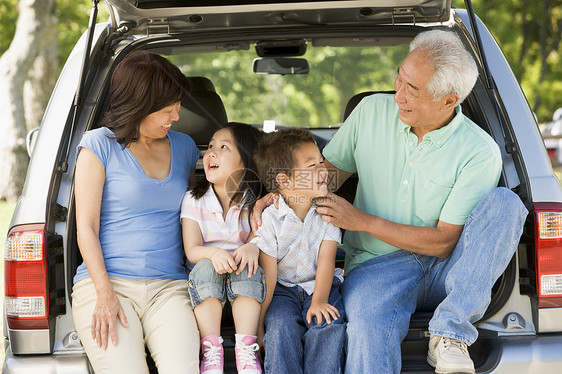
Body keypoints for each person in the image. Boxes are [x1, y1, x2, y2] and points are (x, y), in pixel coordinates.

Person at [313, 30, 529, 373]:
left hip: (451, 270)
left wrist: (360, 221)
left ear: (449, 101)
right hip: (375, 267)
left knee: (506, 203)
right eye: (399, 79)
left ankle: (450, 333)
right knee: (367, 324)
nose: (398, 95)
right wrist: (273, 194)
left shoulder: (479, 151)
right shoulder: (370, 112)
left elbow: (444, 243)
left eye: (412, 90)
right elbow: (324, 177)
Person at [72, 50, 201, 373]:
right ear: (141, 104)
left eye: (178, 107)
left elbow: (204, 206)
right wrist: (104, 294)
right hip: (106, 284)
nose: (176, 116)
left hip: (169, 288)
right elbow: (85, 227)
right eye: (168, 110)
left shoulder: (184, 146)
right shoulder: (98, 145)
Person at [252, 128, 346, 374]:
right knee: (281, 328)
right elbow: (269, 278)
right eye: (311, 166)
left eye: (321, 161)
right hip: (282, 291)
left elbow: (327, 261)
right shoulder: (270, 219)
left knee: (328, 324)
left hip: (322, 286)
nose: (322, 170)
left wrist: (319, 301)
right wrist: (259, 326)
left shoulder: (327, 212)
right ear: (284, 181)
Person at [181, 123, 266, 374]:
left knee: (248, 265)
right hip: (205, 293)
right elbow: (192, 249)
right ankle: (211, 349)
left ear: (246, 161)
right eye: (210, 147)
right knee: (206, 266)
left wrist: (252, 246)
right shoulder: (194, 200)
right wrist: (214, 253)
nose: (211, 153)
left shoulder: (254, 201)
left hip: (244, 294)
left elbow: (261, 236)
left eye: (223, 147)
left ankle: (246, 348)